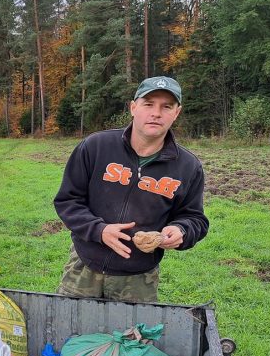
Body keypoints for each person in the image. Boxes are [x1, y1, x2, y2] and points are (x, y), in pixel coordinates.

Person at [53, 76, 209, 302]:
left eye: (166, 106)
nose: (156, 113)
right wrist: (99, 230)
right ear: (133, 107)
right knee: (73, 333)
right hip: (84, 267)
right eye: (148, 104)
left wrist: (181, 230)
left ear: (177, 113)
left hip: (139, 279)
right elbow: (68, 201)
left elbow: (195, 218)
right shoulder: (96, 147)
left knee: (133, 336)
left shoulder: (188, 166)